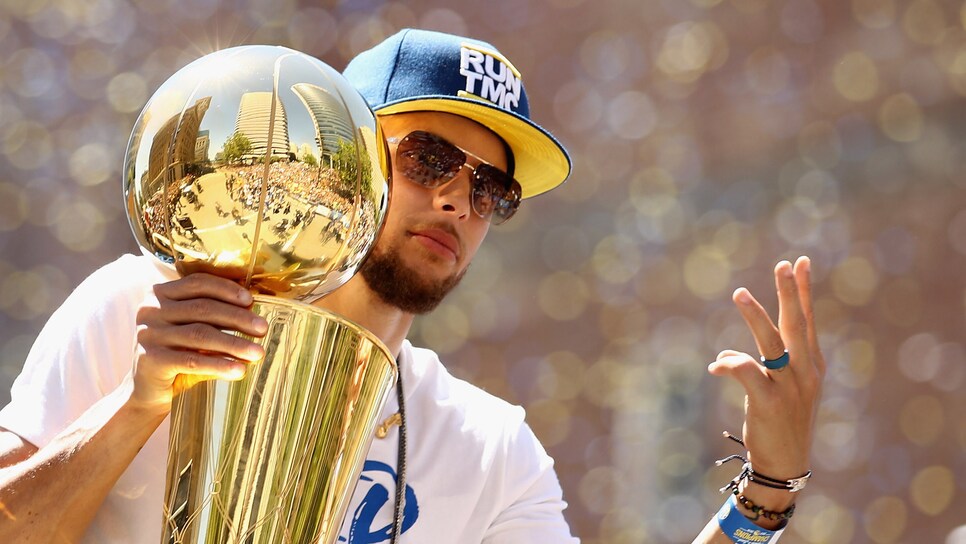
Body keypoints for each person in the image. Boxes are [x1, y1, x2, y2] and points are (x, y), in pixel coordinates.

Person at [0, 29, 824, 543]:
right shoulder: (141, 307)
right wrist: (138, 404)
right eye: (430, 158)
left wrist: (765, 495)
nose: (460, 200)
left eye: (493, 191)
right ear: (346, 152)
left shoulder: (491, 447)